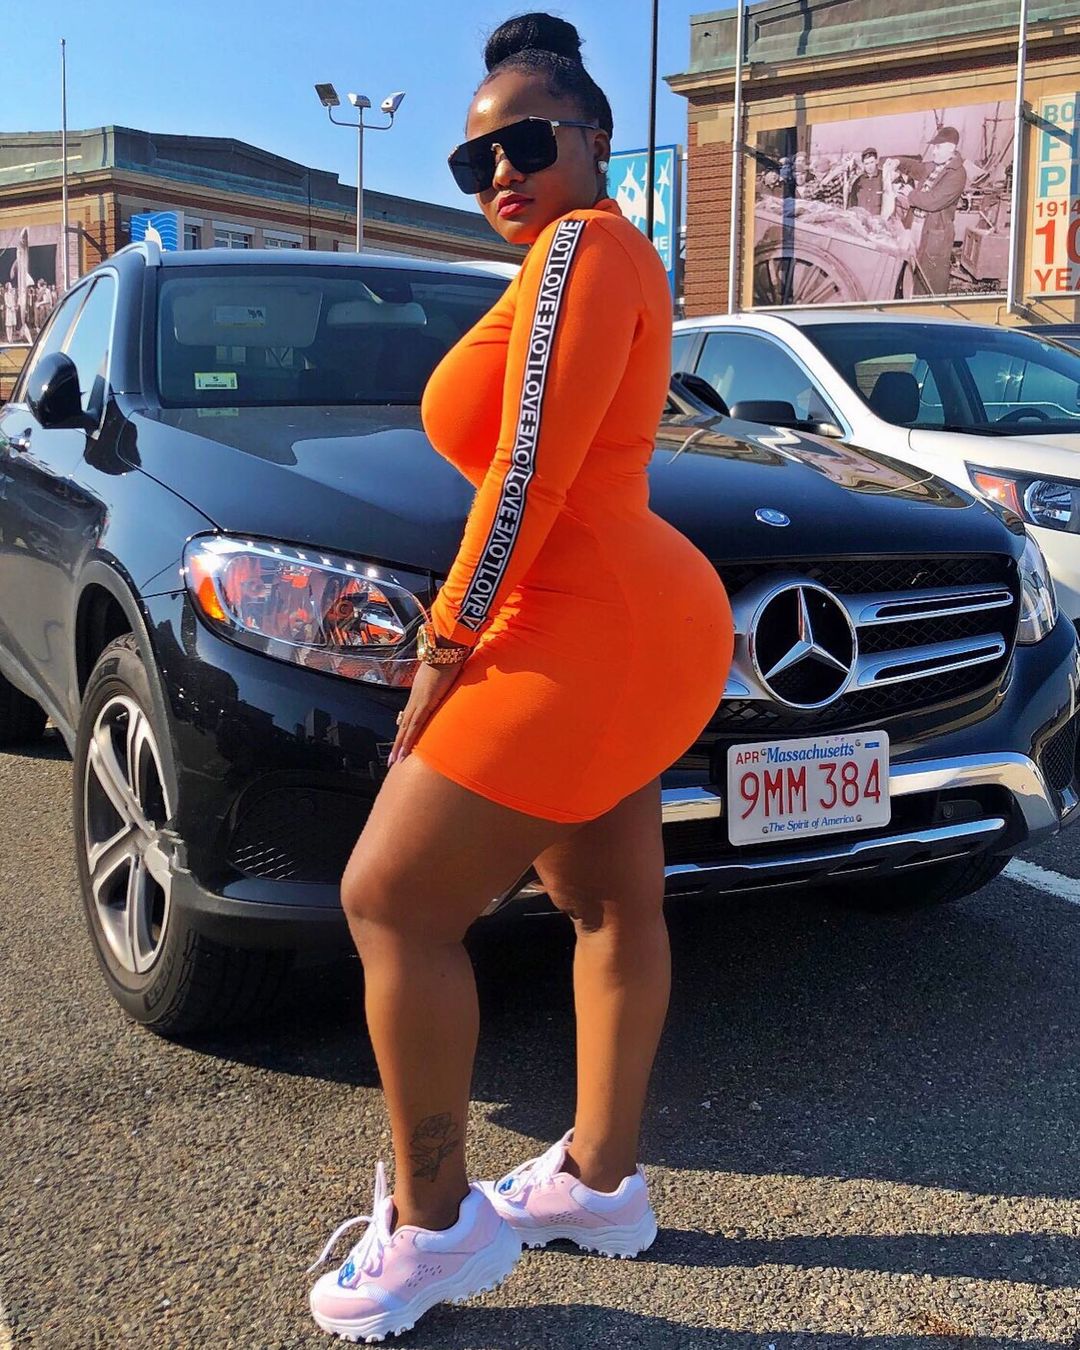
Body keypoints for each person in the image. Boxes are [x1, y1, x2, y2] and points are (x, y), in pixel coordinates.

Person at [305, 11, 734, 1344]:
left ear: (594, 139)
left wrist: (445, 645)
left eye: (527, 141)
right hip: (627, 618)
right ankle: (599, 1184)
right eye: (473, 158)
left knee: (390, 898)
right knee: (608, 901)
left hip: (580, 624)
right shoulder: (591, 255)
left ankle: (438, 1226)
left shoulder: (581, 249)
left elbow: (529, 468)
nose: (499, 170)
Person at [893, 125, 968, 295]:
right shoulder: (934, 166)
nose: (933, 151)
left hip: (934, 232)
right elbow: (915, 167)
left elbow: (933, 201)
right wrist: (898, 162)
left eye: (938, 147)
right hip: (915, 225)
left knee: (928, 277)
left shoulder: (957, 174)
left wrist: (910, 193)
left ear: (951, 148)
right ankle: (907, 297)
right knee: (909, 268)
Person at [851, 147, 885, 215]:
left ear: (876, 161)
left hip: (879, 220)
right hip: (861, 220)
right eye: (866, 164)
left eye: (872, 162)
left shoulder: (884, 177)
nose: (870, 167)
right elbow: (852, 204)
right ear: (863, 164)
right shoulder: (858, 182)